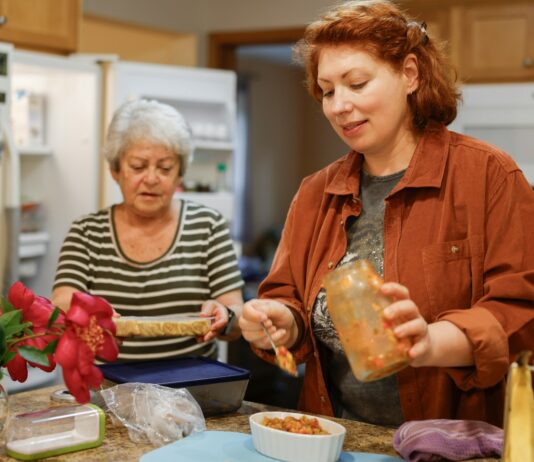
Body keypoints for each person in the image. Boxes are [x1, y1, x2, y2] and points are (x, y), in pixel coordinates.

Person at [239, 0, 534, 427]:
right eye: (327, 90)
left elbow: (520, 313)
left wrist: (430, 341)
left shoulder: (490, 176)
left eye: (356, 83)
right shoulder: (315, 193)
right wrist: (282, 321)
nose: (339, 105)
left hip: (451, 442)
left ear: (409, 74)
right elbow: (289, 301)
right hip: (334, 436)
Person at [52, 99, 244, 361]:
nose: (152, 179)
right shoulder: (86, 232)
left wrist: (226, 314)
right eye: (139, 166)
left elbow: (235, 315)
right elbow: (61, 302)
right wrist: (86, 311)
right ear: (115, 171)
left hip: (190, 387)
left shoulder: (207, 226)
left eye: (165, 168)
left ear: (180, 175)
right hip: (108, 387)